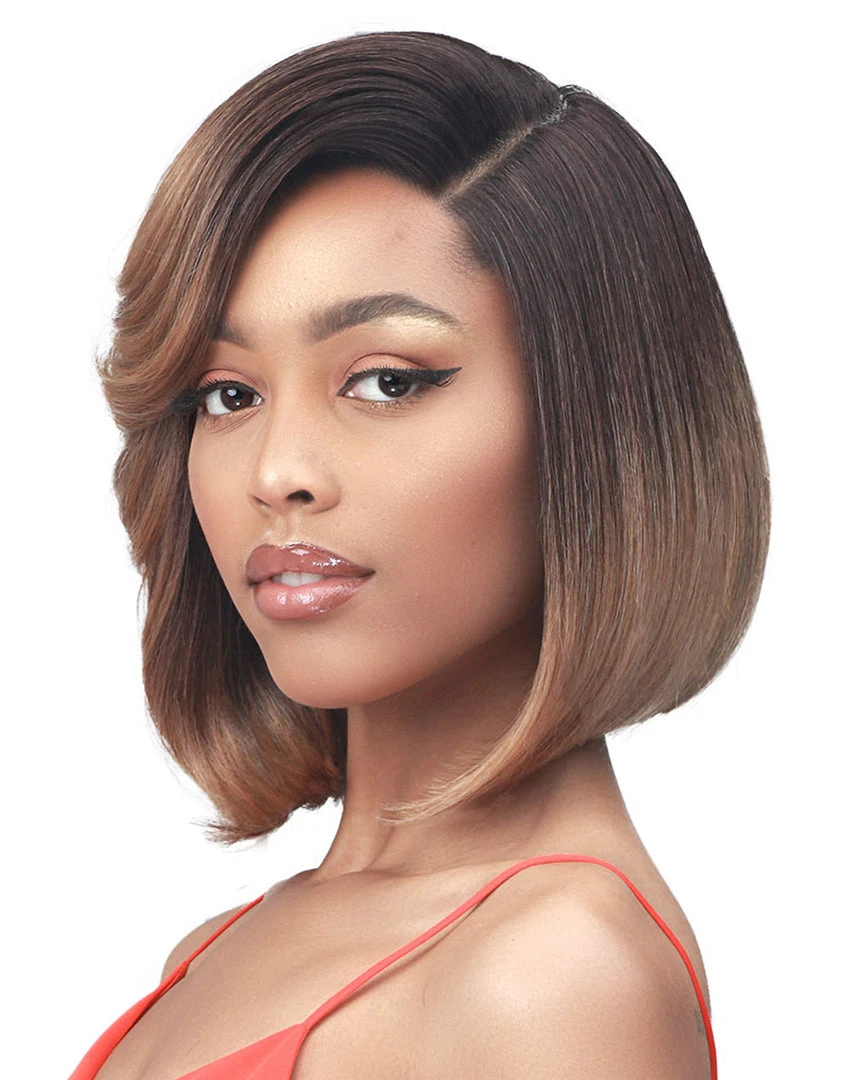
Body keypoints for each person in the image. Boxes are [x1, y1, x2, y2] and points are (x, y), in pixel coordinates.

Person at [69, 28, 769, 1080]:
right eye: (228, 394)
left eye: (387, 381)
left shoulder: (555, 976)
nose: (277, 472)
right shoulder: (210, 953)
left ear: (600, 425)